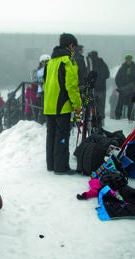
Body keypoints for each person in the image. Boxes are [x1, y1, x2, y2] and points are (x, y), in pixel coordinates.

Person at [44, 33, 82, 175]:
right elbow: (72, 86)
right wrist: (77, 105)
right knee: (62, 136)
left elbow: (45, 83)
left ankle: (51, 165)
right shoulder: (68, 61)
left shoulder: (50, 62)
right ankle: (61, 167)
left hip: (49, 104)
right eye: (74, 47)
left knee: (51, 135)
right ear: (71, 45)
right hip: (62, 104)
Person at [87, 50, 110, 127]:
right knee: (101, 105)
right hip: (102, 88)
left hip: (93, 88)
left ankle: (93, 121)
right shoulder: (102, 63)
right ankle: (101, 121)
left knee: (92, 105)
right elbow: (107, 74)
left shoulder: (90, 65)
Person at [114, 54, 135, 120]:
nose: (128, 61)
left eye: (129, 59)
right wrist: (120, 86)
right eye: (127, 60)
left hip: (130, 89)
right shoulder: (122, 68)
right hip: (124, 89)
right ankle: (118, 116)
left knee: (130, 103)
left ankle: (130, 116)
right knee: (120, 103)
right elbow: (117, 78)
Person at [35, 54, 50, 124]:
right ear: (42, 62)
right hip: (43, 91)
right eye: (47, 62)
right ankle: (42, 121)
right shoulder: (42, 71)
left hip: (42, 91)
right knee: (44, 107)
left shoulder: (40, 70)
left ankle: (42, 121)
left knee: (43, 107)